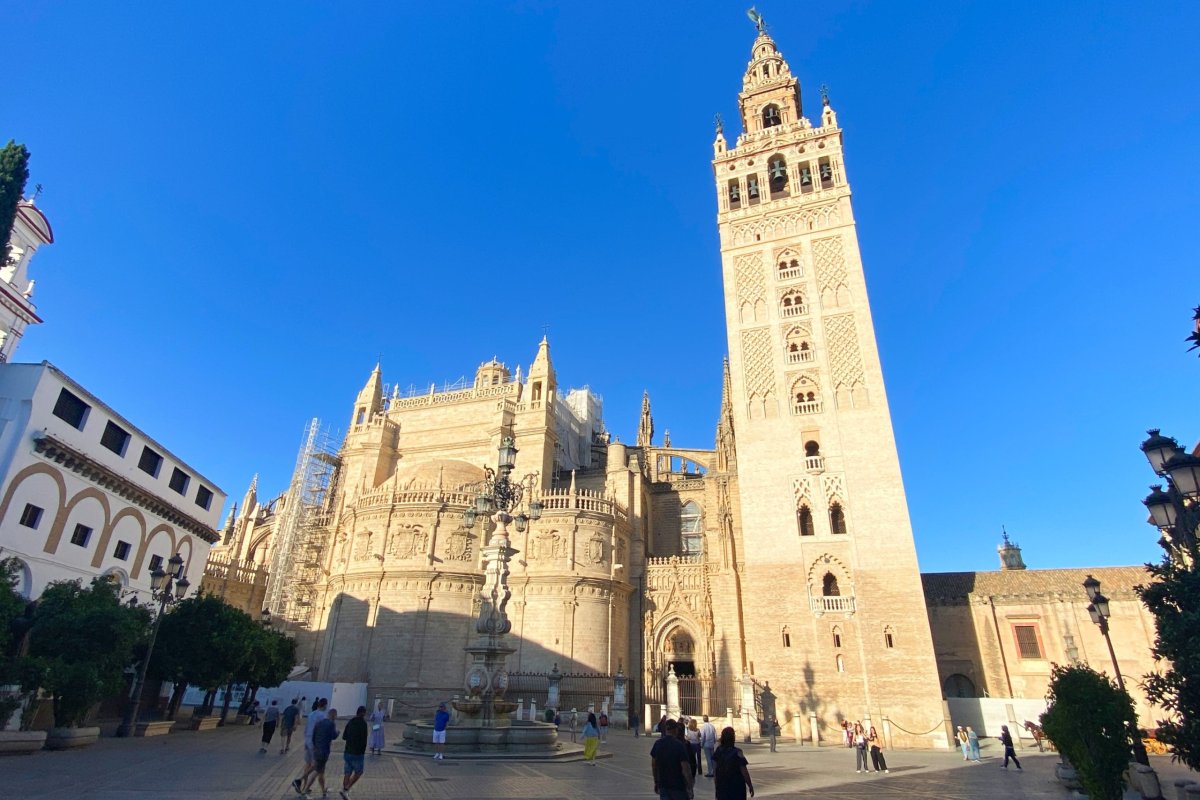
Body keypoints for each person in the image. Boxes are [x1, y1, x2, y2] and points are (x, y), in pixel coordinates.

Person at [294, 708, 337, 797]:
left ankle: (323, 791)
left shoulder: (319, 723)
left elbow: (313, 735)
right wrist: (338, 733)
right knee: (317, 771)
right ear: (333, 715)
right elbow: (333, 736)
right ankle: (303, 787)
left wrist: (314, 746)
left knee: (320, 771)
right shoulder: (331, 724)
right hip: (324, 751)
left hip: (316, 749)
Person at [651, 719, 695, 800]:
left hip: (663, 785)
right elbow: (685, 768)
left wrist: (656, 781)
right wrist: (690, 787)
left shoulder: (658, 744)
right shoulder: (680, 746)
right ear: (676, 730)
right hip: (678, 786)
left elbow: (654, 765)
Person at [294, 697, 329, 794]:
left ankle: (312, 787)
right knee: (318, 767)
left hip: (308, 740)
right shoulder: (322, 716)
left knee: (308, 763)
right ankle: (301, 783)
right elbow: (321, 731)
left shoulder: (311, 714)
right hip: (316, 743)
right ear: (325, 705)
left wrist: (306, 742)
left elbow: (307, 728)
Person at [713, 726, 754, 800]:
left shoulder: (718, 751)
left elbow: (715, 769)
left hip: (722, 784)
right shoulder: (738, 752)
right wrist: (750, 785)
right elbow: (744, 771)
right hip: (736, 786)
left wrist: (716, 783)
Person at [340, 705, 368, 799]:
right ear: (363, 713)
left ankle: (344, 791)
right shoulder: (363, 724)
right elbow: (364, 739)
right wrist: (362, 751)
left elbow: (344, 737)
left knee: (347, 772)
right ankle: (346, 789)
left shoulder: (350, 722)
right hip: (357, 753)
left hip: (348, 751)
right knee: (359, 772)